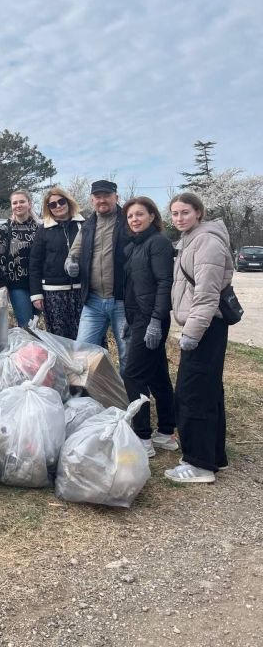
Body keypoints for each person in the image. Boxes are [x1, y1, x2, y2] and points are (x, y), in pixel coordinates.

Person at [164, 192, 234, 484]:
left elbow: (206, 295)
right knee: (208, 392)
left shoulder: (207, 242)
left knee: (192, 394)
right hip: (203, 327)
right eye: (175, 213)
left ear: (199, 212)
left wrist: (191, 333)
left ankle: (199, 464)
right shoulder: (191, 240)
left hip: (204, 328)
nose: (179, 218)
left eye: (185, 213)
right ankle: (214, 455)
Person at [122, 196, 177, 458]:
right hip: (139, 317)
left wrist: (156, 320)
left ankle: (142, 437)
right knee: (157, 375)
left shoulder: (159, 243)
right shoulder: (136, 245)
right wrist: (130, 321)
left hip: (151, 318)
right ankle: (166, 432)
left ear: (152, 216)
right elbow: (133, 287)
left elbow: (164, 283)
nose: (134, 219)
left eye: (139, 214)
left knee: (132, 374)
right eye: (131, 216)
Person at [65, 180, 130, 373]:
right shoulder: (87, 226)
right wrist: (70, 265)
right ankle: (85, 397)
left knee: (127, 354)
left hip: (122, 301)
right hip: (93, 302)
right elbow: (72, 254)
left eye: (107, 196)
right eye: (98, 196)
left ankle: (127, 397)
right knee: (81, 352)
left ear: (116, 198)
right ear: (92, 200)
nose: (102, 200)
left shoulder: (128, 222)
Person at [29, 186, 84, 338]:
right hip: (53, 293)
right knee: (60, 338)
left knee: (84, 337)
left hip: (81, 290)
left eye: (61, 201)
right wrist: (36, 294)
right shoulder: (43, 230)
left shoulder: (83, 226)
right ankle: (64, 363)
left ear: (68, 202)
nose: (58, 206)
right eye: (52, 204)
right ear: (48, 208)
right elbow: (34, 264)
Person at [0, 189, 40, 327]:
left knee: (36, 325)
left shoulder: (40, 228)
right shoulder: (5, 229)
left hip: (39, 285)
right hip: (18, 285)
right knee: (26, 326)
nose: (18, 205)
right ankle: (27, 348)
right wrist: (2, 283)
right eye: (15, 203)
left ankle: (36, 349)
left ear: (29, 204)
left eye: (22, 201)